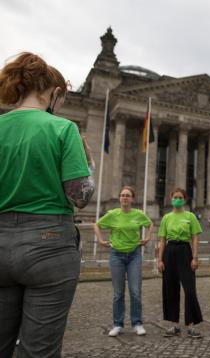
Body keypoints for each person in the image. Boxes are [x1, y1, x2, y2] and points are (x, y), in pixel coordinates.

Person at [0, 52, 95, 357]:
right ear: (54, 93)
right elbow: (80, 196)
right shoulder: (62, 128)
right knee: (38, 350)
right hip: (49, 245)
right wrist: (88, 166)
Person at [94, 186, 153, 337]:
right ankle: (117, 324)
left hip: (134, 255)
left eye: (127, 195)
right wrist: (100, 240)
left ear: (132, 199)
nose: (124, 198)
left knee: (135, 291)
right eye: (122, 195)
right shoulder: (113, 214)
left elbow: (150, 224)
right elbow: (97, 225)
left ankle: (137, 323)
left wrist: (147, 238)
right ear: (119, 198)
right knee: (118, 293)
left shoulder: (138, 214)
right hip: (116, 256)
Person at [158, 188, 203, 338]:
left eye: (180, 197)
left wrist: (195, 257)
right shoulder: (166, 218)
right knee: (170, 289)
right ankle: (174, 325)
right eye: (175, 197)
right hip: (169, 252)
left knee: (190, 289)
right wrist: (159, 260)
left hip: (185, 251)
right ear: (171, 199)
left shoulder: (190, 216)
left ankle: (191, 325)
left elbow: (195, 237)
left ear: (184, 200)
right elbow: (162, 240)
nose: (177, 199)